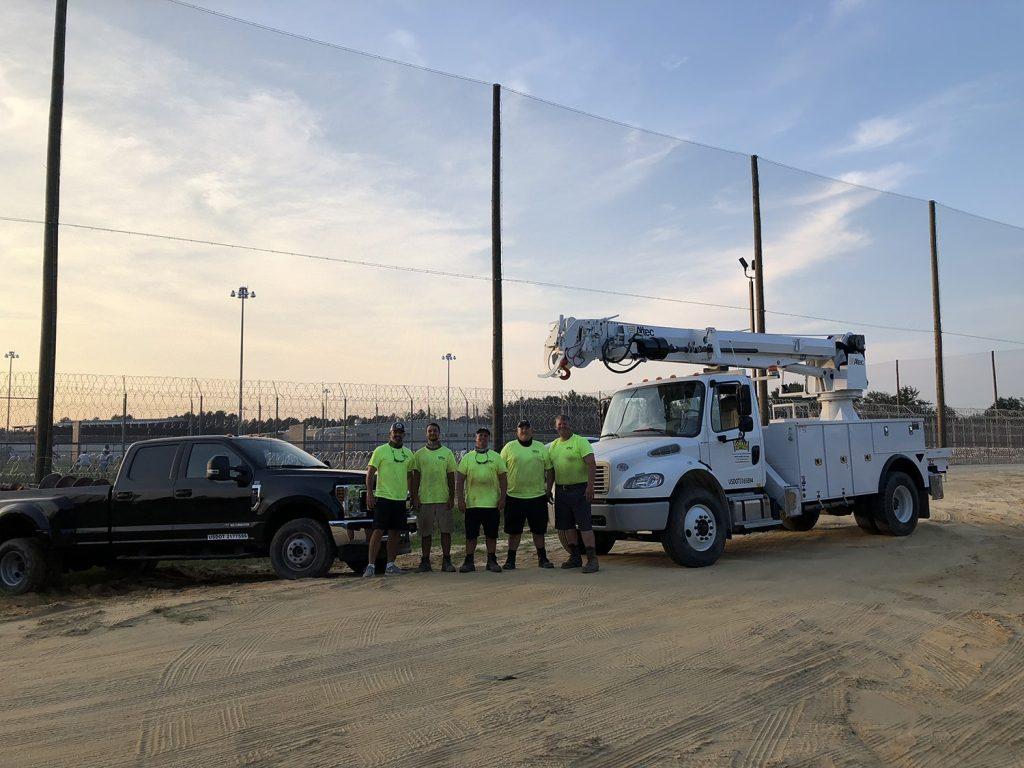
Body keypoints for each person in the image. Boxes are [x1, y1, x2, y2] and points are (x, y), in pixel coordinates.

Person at [500, 419, 555, 569]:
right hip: (514, 497)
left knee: (539, 531)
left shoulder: (541, 448)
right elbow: (500, 471)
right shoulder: (509, 448)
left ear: (532, 431)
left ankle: (542, 559)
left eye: (527, 428)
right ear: (517, 432)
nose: (524, 430)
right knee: (514, 531)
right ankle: (510, 560)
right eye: (521, 428)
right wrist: (502, 494)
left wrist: (548, 489)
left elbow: (550, 469)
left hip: (537, 497)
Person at [548, 414, 599, 573]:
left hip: (580, 490)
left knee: (585, 525)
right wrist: (549, 489)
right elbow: (551, 470)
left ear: (570, 425)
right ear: (555, 427)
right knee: (567, 526)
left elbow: (591, 463)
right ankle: (575, 557)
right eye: (559, 424)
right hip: (562, 491)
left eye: (564, 423)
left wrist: (590, 486)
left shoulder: (580, 441)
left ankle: (592, 560)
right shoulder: (554, 445)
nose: (561, 426)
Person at [364, 421, 414, 577]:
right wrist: (370, 493)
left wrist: (411, 495)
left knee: (395, 532)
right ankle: (371, 565)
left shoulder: (408, 454)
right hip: (383, 497)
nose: (397, 435)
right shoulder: (380, 451)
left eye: (400, 433)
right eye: (395, 433)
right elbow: (370, 472)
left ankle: (391, 565)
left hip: (399, 499)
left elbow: (410, 476)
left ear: (404, 435)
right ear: (390, 434)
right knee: (378, 531)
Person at [456, 427, 507, 573]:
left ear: (488, 439)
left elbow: (503, 478)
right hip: (472, 504)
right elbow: (460, 481)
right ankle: (469, 561)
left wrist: (503, 497)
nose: (483, 438)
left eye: (486, 436)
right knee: (471, 535)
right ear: (475, 438)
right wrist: (460, 500)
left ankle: (491, 560)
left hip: (492, 504)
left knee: (491, 534)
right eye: (480, 436)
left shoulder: (496, 457)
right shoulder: (467, 458)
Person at [410, 422, 457, 573]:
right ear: (426, 434)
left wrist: (451, 497)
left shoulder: (447, 453)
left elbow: (451, 477)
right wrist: (415, 497)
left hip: (443, 499)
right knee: (425, 532)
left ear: (439, 433)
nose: (432, 433)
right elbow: (415, 477)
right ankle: (425, 561)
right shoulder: (419, 455)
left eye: (435, 430)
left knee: (446, 531)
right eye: (429, 431)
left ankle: (447, 561)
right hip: (425, 499)